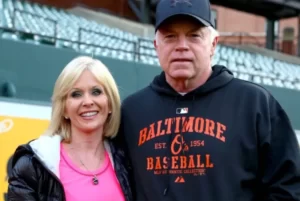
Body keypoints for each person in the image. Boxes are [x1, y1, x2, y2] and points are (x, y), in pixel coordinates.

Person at [118, 0, 300, 200]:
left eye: (194, 36)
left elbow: (289, 188)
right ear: (156, 46)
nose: (182, 46)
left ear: (213, 44)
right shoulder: (132, 111)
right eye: (170, 37)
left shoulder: (254, 104)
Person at [7, 56, 133, 201]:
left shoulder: (128, 160)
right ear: (64, 109)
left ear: (110, 103)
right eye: (76, 94)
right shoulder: (32, 165)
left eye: (96, 92)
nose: (87, 101)